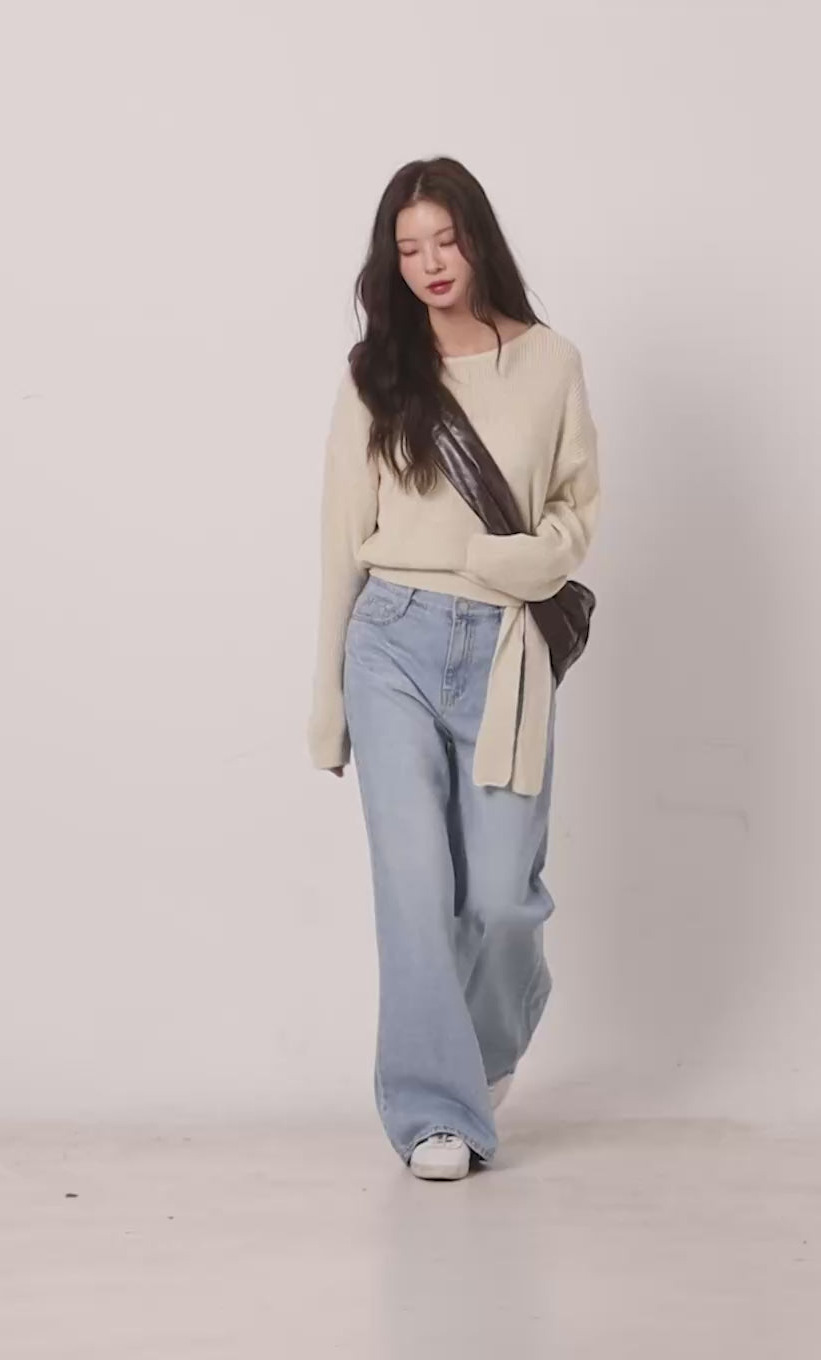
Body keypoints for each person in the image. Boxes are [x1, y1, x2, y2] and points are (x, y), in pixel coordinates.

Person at [307, 156, 600, 1180]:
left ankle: (483, 1046)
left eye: (445, 239)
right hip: (390, 638)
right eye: (408, 248)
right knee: (415, 887)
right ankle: (436, 1109)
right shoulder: (375, 371)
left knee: (505, 900)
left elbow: (576, 511)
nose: (430, 263)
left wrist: (516, 561)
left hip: (505, 648)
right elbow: (340, 537)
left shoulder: (550, 362)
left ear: (477, 239)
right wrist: (326, 703)